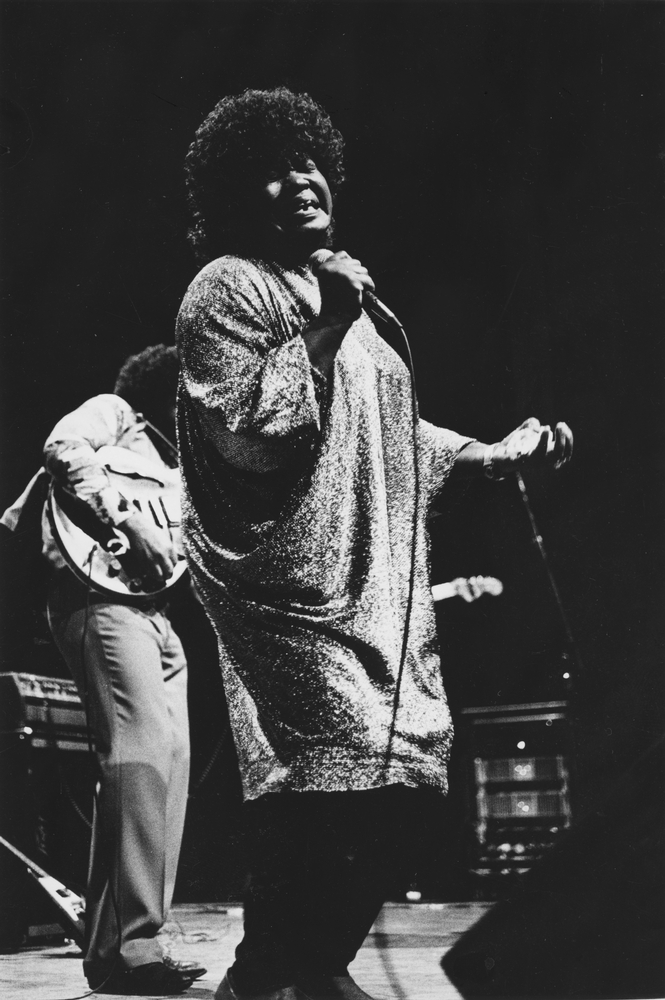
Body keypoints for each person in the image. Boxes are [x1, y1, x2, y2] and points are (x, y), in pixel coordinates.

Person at [176, 88, 573, 1000]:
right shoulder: (227, 287)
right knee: (331, 767)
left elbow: (392, 428)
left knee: (397, 770)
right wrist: (323, 323)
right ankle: (276, 973)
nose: (297, 179)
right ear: (235, 196)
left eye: (305, 160)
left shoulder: (351, 296)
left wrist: (488, 453)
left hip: (374, 578)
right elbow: (245, 426)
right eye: (268, 171)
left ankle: (302, 964)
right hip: (289, 583)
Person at [41, 345, 204, 995]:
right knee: (139, 757)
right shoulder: (115, 413)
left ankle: (117, 944)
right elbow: (62, 447)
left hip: (157, 613)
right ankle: (138, 938)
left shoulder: (184, 466)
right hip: (99, 600)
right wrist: (124, 521)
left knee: (170, 765)